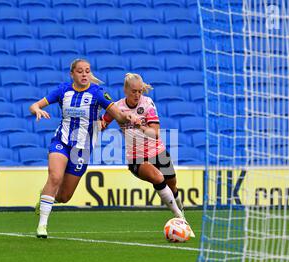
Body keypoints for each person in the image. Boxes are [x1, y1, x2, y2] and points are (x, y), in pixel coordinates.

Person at [30, 59, 139, 238]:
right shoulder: (63, 90)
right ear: (72, 74)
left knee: (65, 197)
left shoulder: (98, 93)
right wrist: (37, 110)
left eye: (87, 71)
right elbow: (35, 105)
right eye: (80, 71)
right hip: (62, 141)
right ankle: (42, 226)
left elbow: (118, 115)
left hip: (82, 149)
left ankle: (44, 198)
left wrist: (129, 119)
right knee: (55, 176)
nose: (84, 74)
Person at [100, 73, 193, 235]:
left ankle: (180, 214)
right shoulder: (117, 107)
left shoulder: (148, 103)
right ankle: (180, 218)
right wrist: (100, 124)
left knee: (173, 186)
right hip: (136, 158)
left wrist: (139, 126)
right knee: (158, 177)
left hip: (159, 152)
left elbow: (155, 133)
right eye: (133, 91)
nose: (137, 95)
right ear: (126, 90)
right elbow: (103, 122)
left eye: (139, 91)